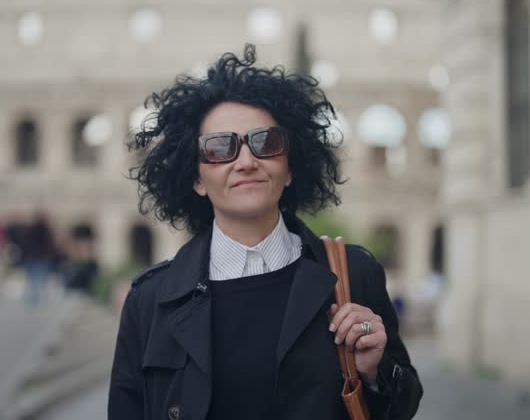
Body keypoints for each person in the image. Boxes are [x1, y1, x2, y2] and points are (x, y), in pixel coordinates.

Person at [109, 45, 422, 420]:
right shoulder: (150, 300)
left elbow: (404, 406)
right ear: (195, 178)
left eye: (266, 143)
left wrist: (374, 372)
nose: (245, 161)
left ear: (290, 168)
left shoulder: (353, 274)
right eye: (220, 148)